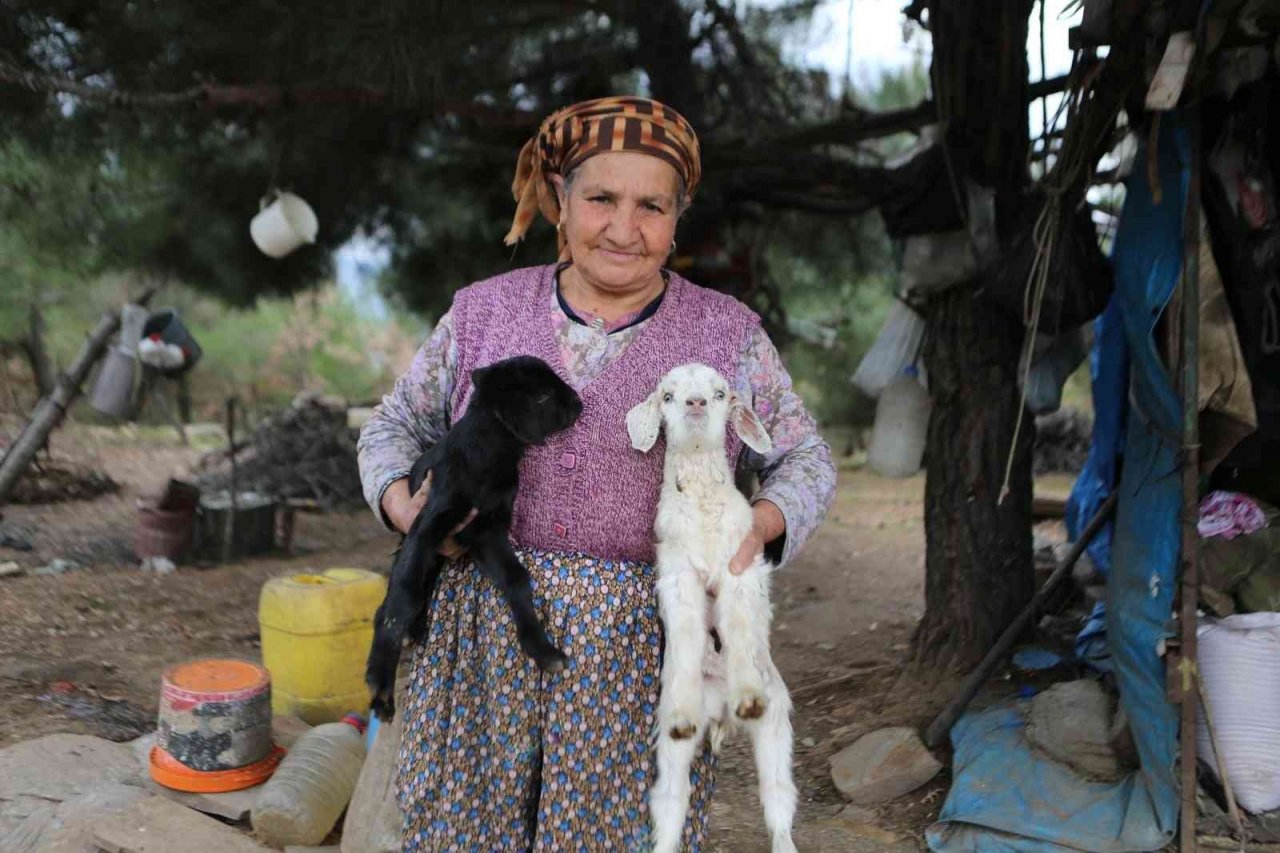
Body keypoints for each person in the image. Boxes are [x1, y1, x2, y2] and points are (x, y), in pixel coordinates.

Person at [357, 95, 836, 851]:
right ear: (559, 201)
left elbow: (804, 457)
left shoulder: (727, 334)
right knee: (465, 829)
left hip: (637, 645)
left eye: (652, 205)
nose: (624, 227)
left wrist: (763, 525)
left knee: (609, 834)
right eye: (601, 198)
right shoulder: (482, 313)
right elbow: (392, 426)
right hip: (478, 631)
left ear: (678, 217)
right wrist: (402, 505)